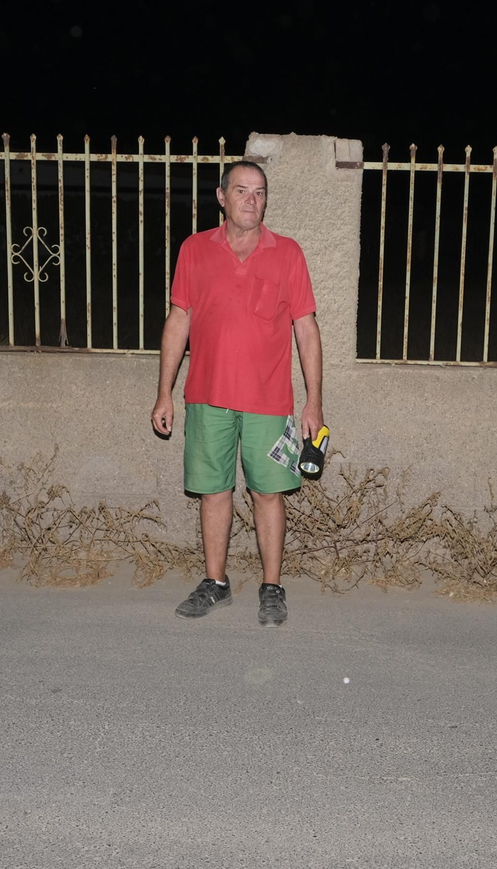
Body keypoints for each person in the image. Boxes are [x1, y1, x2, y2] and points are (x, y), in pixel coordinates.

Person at [151, 160, 323, 627]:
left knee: (268, 494)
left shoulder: (288, 253)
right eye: (242, 191)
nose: (252, 200)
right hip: (206, 395)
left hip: (270, 401)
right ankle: (216, 583)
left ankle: (272, 587)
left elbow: (305, 328)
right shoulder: (194, 250)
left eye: (260, 192)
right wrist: (164, 392)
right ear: (221, 197)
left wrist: (314, 402)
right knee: (213, 492)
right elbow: (178, 321)